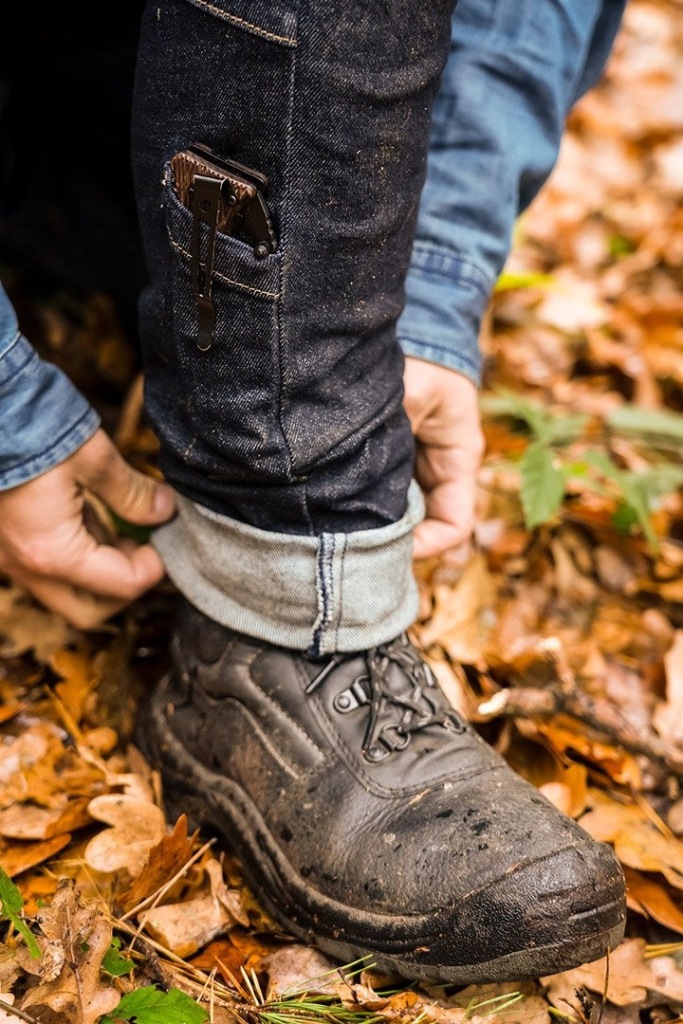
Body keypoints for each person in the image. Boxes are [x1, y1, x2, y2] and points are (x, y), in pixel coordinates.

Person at [0, 0, 629, 985]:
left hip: (227, 177)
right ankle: (270, 632)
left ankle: (287, 603)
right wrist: (7, 418)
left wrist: (427, 284)